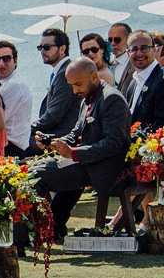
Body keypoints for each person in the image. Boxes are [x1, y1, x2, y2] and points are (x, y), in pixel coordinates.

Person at [30, 58, 132, 239]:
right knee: (30, 169)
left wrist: (73, 153)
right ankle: (51, 227)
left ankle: (38, 232)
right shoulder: (88, 96)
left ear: (93, 76)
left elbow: (114, 143)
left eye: (77, 84)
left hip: (103, 169)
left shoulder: (112, 99)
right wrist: (55, 143)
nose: (74, 91)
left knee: (35, 176)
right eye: (71, 85)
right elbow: (77, 132)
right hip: (87, 163)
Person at [124, 31, 164, 130]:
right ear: (127, 53)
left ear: (154, 49)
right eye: (134, 49)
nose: (139, 53)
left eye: (144, 48)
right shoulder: (133, 83)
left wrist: (129, 138)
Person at [0, 41, 33, 157]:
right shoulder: (5, 83)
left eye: (6, 58)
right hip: (6, 144)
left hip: (11, 147)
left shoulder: (14, 85)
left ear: (15, 60)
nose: (1, 64)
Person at [109, 22, 133, 91]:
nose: (113, 43)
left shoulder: (134, 65)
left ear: (128, 40)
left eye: (117, 40)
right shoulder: (109, 64)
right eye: (110, 40)